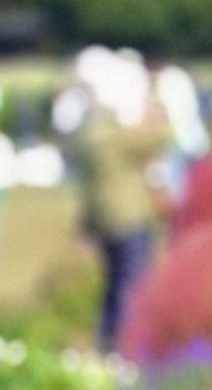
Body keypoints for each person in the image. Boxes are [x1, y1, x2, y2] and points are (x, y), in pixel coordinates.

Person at [65, 44, 167, 351]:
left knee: (116, 283)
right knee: (131, 285)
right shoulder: (107, 133)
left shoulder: (90, 130)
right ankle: (124, 345)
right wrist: (152, 110)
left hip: (108, 217)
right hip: (127, 217)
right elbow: (159, 137)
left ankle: (109, 342)